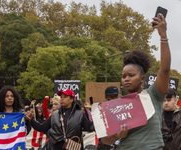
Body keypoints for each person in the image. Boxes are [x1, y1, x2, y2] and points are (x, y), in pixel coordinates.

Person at [101, 13, 171, 150]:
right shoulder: (117, 106)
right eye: (123, 76)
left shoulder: (154, 95)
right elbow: (105, 140)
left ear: (142, 78)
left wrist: (163, 36)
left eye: (131, 75)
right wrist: (117, 136)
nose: (126, 79)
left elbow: (165, 70)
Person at [25, 89, 94, 150]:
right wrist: (31, 120)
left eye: (65, 97)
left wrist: (98, 119)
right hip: (56, 147)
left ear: (71, 99)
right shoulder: (55, 115)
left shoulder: (79, 114)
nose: (62, 99)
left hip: (74, 147)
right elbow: (42, 128)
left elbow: (89, 128)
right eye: (61, 97)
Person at [98, 86, 119, 150]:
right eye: (112, 97)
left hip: (117, 143)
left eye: (116, 96)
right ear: (106, 97)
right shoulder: (99, 110)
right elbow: (94, 127)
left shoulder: (121, 108)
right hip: (105, 144)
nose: (115, 98)